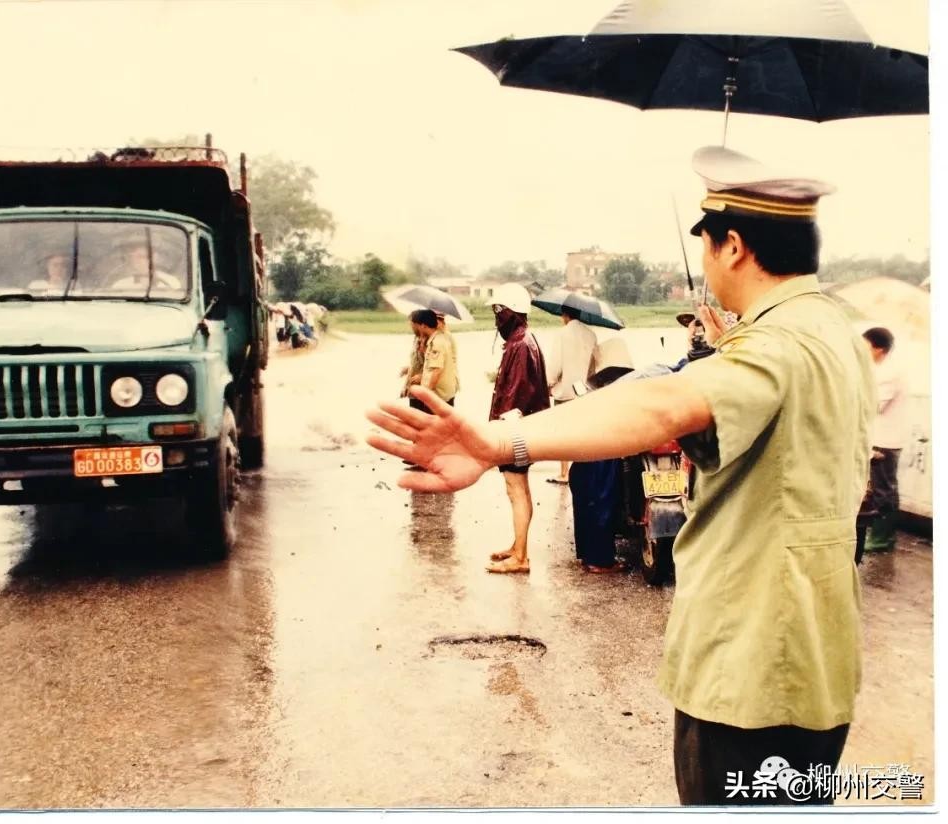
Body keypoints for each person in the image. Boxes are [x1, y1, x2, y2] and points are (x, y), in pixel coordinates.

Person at [366, 145, 875, 805]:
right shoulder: (831, 330)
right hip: (813, 656)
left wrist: (497, 442)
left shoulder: (776, 344)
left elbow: (663, 404)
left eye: (707, 245)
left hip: (753, 669)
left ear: (732, 247)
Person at [483, 283, 549, 575]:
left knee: (516, 490)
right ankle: (517, 546)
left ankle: (520, 556)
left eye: (498, 310)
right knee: (519, 489)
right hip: (521, 428)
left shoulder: (520, 344)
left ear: (510, 312)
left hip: (516, 430)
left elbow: (517, 393)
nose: (496, 317)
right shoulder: (521, 340)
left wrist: (501, 432)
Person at [567, 337, 634, 572]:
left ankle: (588, 555)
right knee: (602, 503)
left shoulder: (592, 394)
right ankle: (600, 560)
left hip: (585, 456)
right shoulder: (619, 394)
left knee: (586, 502)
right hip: (603, 455)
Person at [861, 326, 907, 551]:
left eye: (866, 345)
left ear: (879, 348)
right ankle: (880, 535)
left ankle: (882, 538)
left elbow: (874, 405)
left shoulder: (889, 373)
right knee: (880, 489)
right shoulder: (878, 370)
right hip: (878, 437)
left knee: (884, 490)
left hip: (886, 441)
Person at [545, 308, 598, 484]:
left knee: (563, 434)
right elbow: (593, 366)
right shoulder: (591, 335)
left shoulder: (562, 334)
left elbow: (555, 365)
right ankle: (582, 471)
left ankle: (564, 473)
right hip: (584, 390)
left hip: (565, 391)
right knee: (581, 432)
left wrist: (549, 383)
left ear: (565, 316)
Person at [109, 239, 183, 292]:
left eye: (143, 256)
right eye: (134, 257)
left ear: (155, 258)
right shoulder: (120, 285)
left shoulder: (171, 282)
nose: (138, 261)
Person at [400, 310, 429, 408]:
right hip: (413, 389)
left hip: (425, 390)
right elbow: (415, 363)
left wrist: (423, 376)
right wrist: (406, 386)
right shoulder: (416, 339)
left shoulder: (430, 341)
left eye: (411, 324)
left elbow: (435, 366)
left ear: (418, 324)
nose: (410, 327)